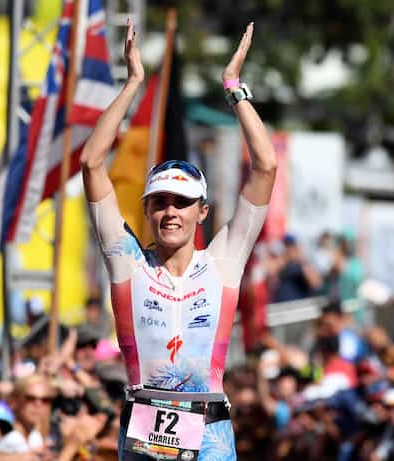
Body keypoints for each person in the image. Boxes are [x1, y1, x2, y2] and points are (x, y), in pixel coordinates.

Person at [82, 18, 276, 460]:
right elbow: (92, 164)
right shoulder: (127, 262)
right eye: (161, 202)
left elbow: (265, 168)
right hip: (143, 432)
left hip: (209, 435)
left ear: (201, 211)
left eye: (183, 202)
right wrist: (133, 83)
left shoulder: (224, 261)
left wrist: (234, 87)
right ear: (147, 211)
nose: (171, 211)